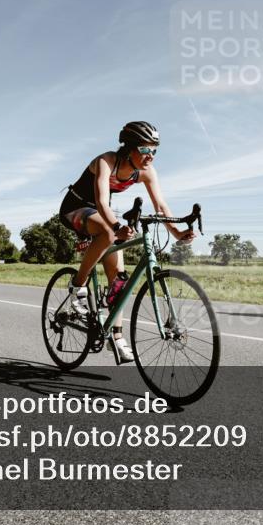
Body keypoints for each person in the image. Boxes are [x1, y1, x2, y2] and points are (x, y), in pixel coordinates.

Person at [59, 121, 195, 363]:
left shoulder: (146, 171)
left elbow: (160, 205)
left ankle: (117, 338)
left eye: (154, 150)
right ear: (129, 147)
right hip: (76, 208)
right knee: (108, 232)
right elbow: (101, 201)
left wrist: (176, 232)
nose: (150, 155)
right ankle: (77, 286)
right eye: (144, 149)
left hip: (101, 216)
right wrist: (116, 227)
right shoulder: (106, 161)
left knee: (118, 282)